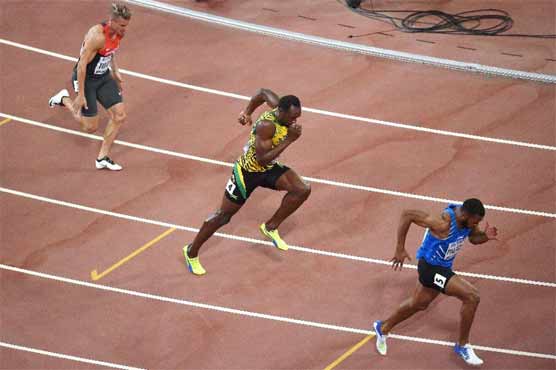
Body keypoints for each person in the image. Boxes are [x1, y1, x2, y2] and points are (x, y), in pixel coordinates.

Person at [183, 88, 311, 275]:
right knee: (223, 217)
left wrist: (247, 112)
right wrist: (290, 139)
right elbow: (262, 159)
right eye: (292, 118)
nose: (295, 121)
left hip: (267, 169)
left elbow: (263, 93)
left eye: (297, 117)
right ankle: (191, 251)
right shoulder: (267, 126)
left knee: (302, 190)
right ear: (281, 112)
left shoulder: (278, 105)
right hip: (247, 173)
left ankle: (270, 227)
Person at [373, 199, 498, 366]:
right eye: (475, 221)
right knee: (472, 296)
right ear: (466, 215)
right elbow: (407, 214)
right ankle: (462, 346)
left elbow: (473, 238)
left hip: (442, 268)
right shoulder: (443, 223)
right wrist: (400, 248)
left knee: (418, 304)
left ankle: (383, 328)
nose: (476, 224)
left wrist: (485, 236)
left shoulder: (468, 222)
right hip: (430, 269)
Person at [48, 2, 131, 171]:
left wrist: (115, 70)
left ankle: (102, 158)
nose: (124, 29)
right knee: (90, 128)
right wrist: (80, 95)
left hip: (103, 77)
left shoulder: (118, 33)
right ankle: (64, 99)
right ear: (112, 21)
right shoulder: (97, 36)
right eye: (122, 25)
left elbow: (111, 51)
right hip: (86, 80)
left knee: (119, 116)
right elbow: (81, 65)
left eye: (126, 25)